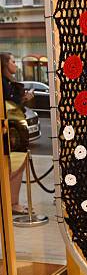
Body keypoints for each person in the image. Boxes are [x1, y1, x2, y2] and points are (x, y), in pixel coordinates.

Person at [0, 52, 34, 216]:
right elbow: (10, 105)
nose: (16, 64)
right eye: (13, 61)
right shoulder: (3, 84)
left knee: (17, 166)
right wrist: (24, 99)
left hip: (15, 126)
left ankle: (13, 202)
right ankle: (12, 203)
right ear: (5, 64)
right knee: (15, 166)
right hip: (12, 128)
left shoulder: (7, 82)